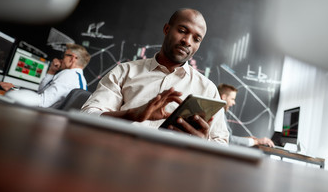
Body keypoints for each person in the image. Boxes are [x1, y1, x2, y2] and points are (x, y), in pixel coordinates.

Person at [81, 8, 229, 144]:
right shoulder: (124, 72)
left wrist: (203, 143)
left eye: (196, 39)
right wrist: (131, 115)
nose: (187, 41)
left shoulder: (207, 90)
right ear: (166, 29)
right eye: (182, 31)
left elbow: (221, 144)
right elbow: (88, 115)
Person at [0, 43, 91, 108]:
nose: (61, 59)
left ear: (72, 58)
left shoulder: (68, 74)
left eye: (64, 55)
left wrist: (12, 90)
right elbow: (42, 91)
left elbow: (41, 102)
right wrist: (52, 71)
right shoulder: (80, 79)